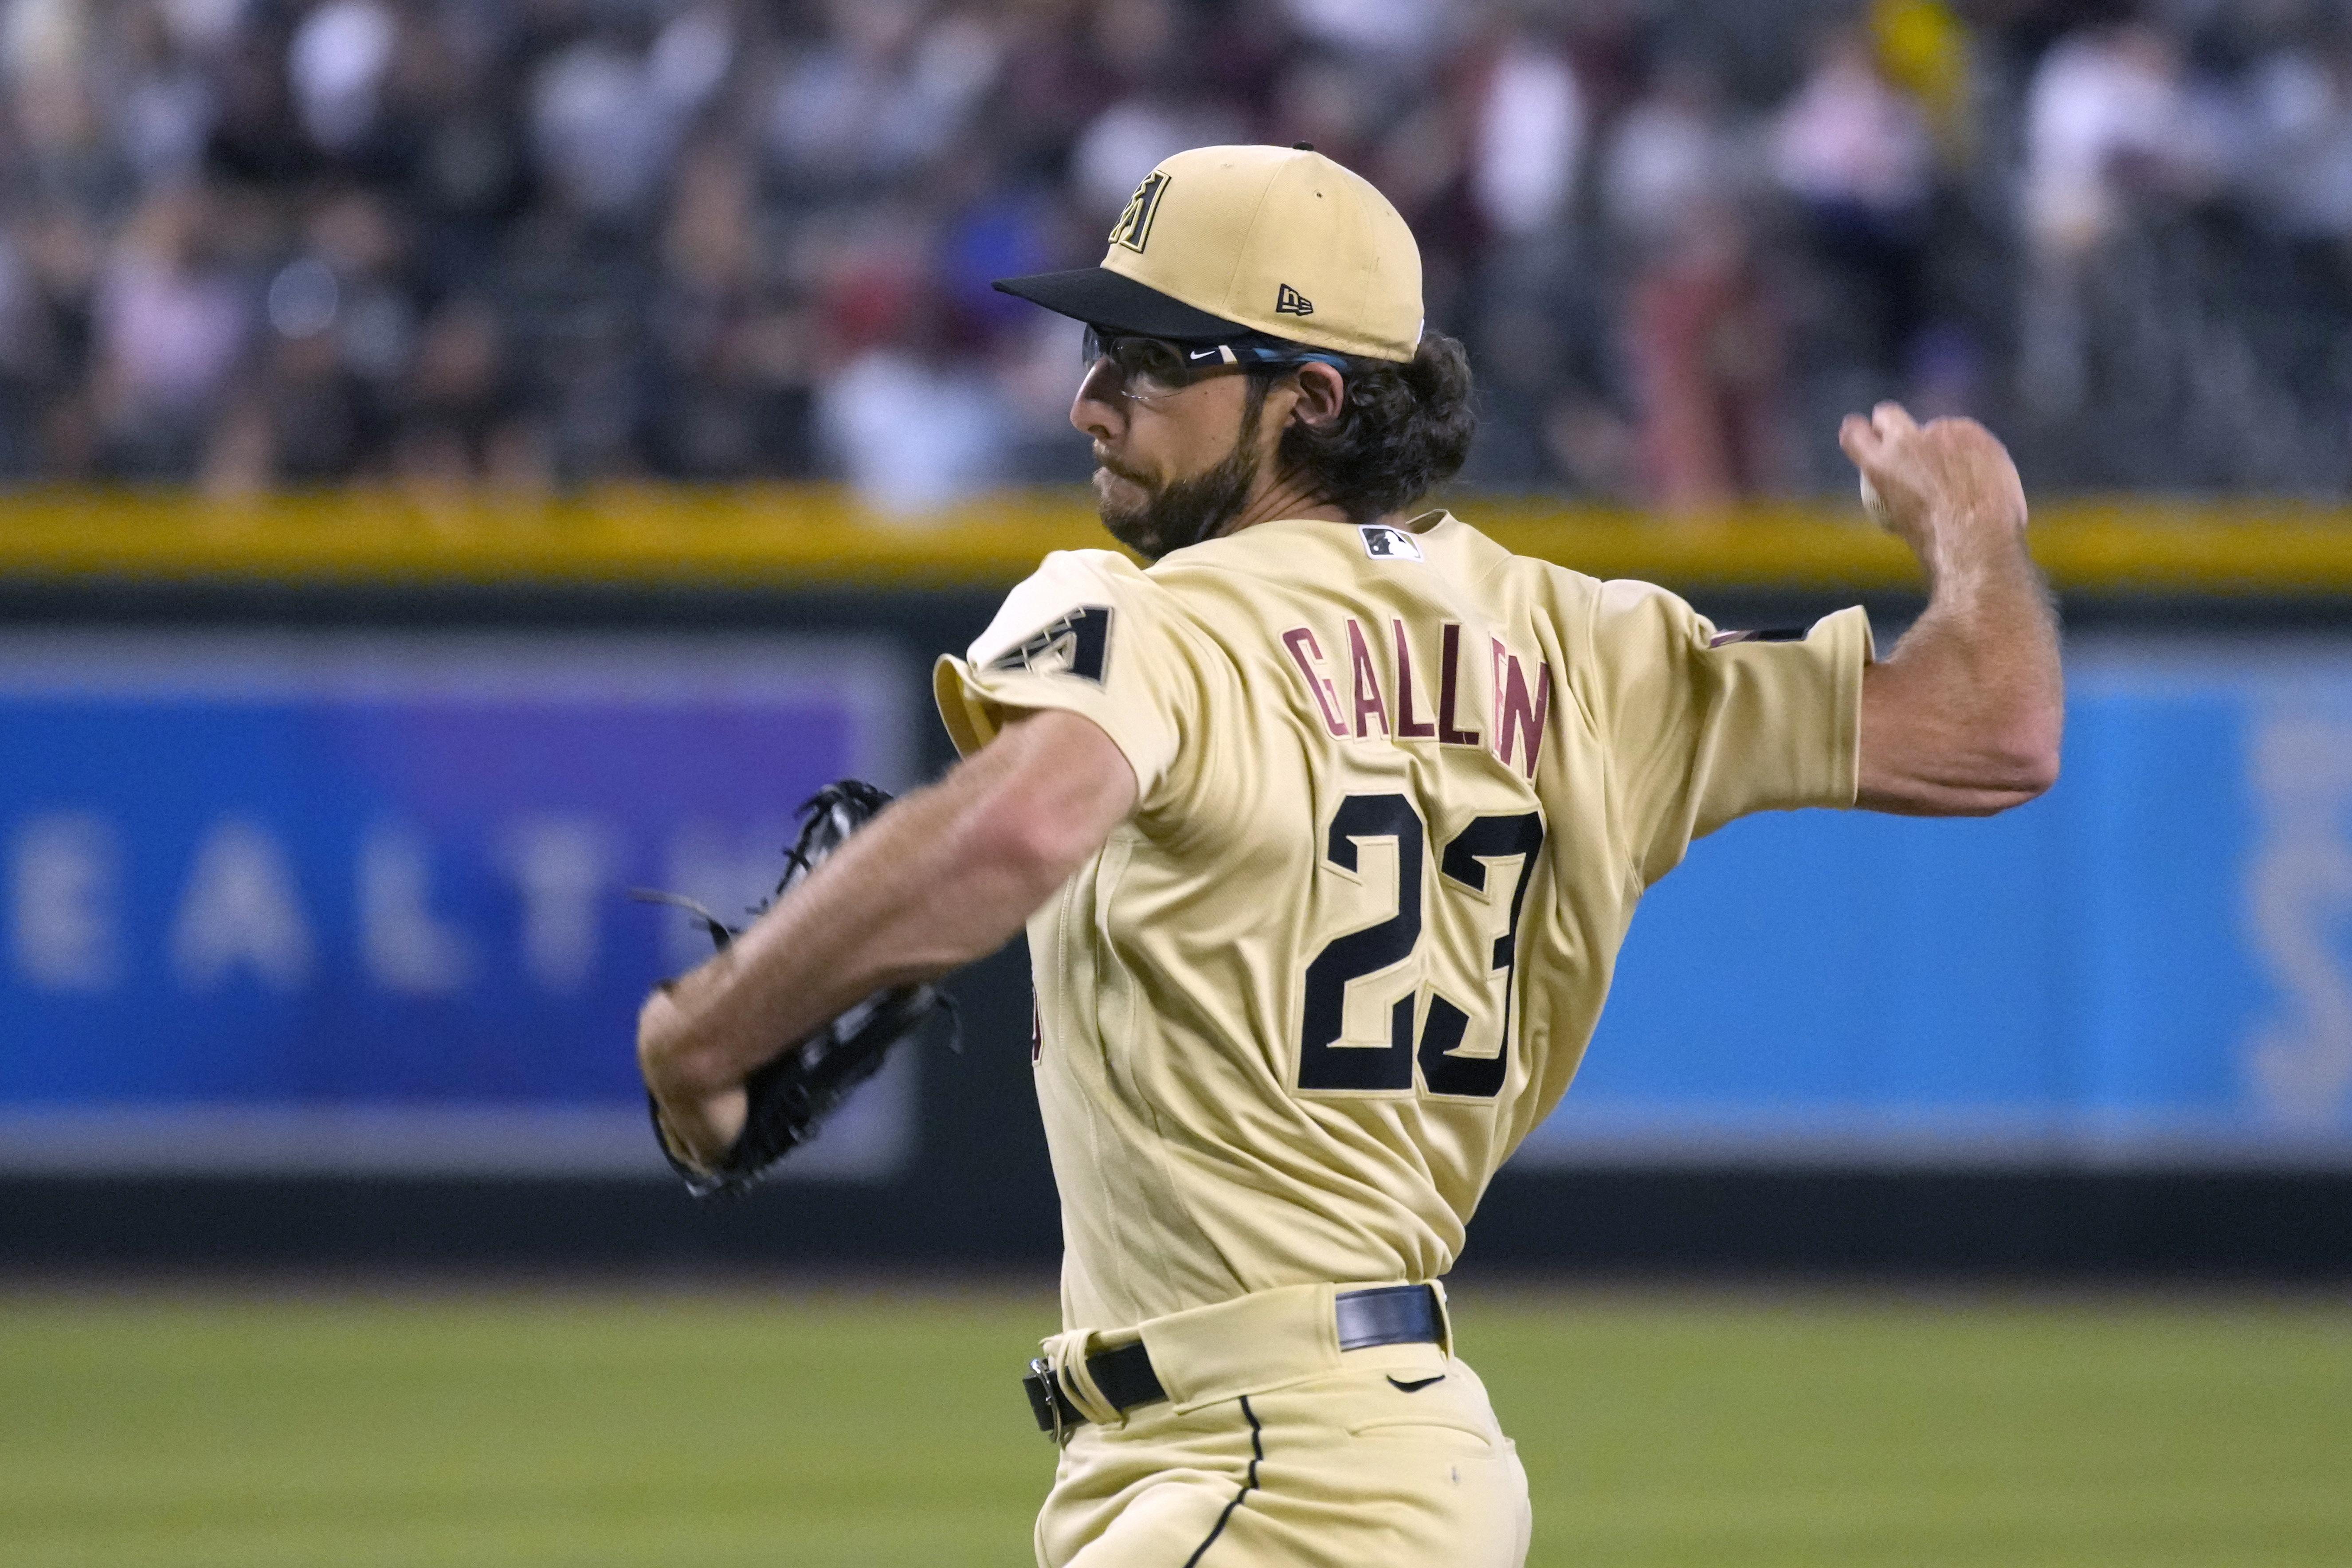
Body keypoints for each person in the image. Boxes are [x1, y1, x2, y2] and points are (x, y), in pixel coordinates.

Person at [636, 144, 2062, 1567]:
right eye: (1095, 347)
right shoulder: (1593, 649)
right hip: (1369, 1452)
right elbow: (1995, 727)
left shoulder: (1152, 619)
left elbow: (1016, 819)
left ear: (1310, 398)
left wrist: (710, 1032)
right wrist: (1971, 524)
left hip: (1278, 1464)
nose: (1090, 399)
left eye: (1149, 357)